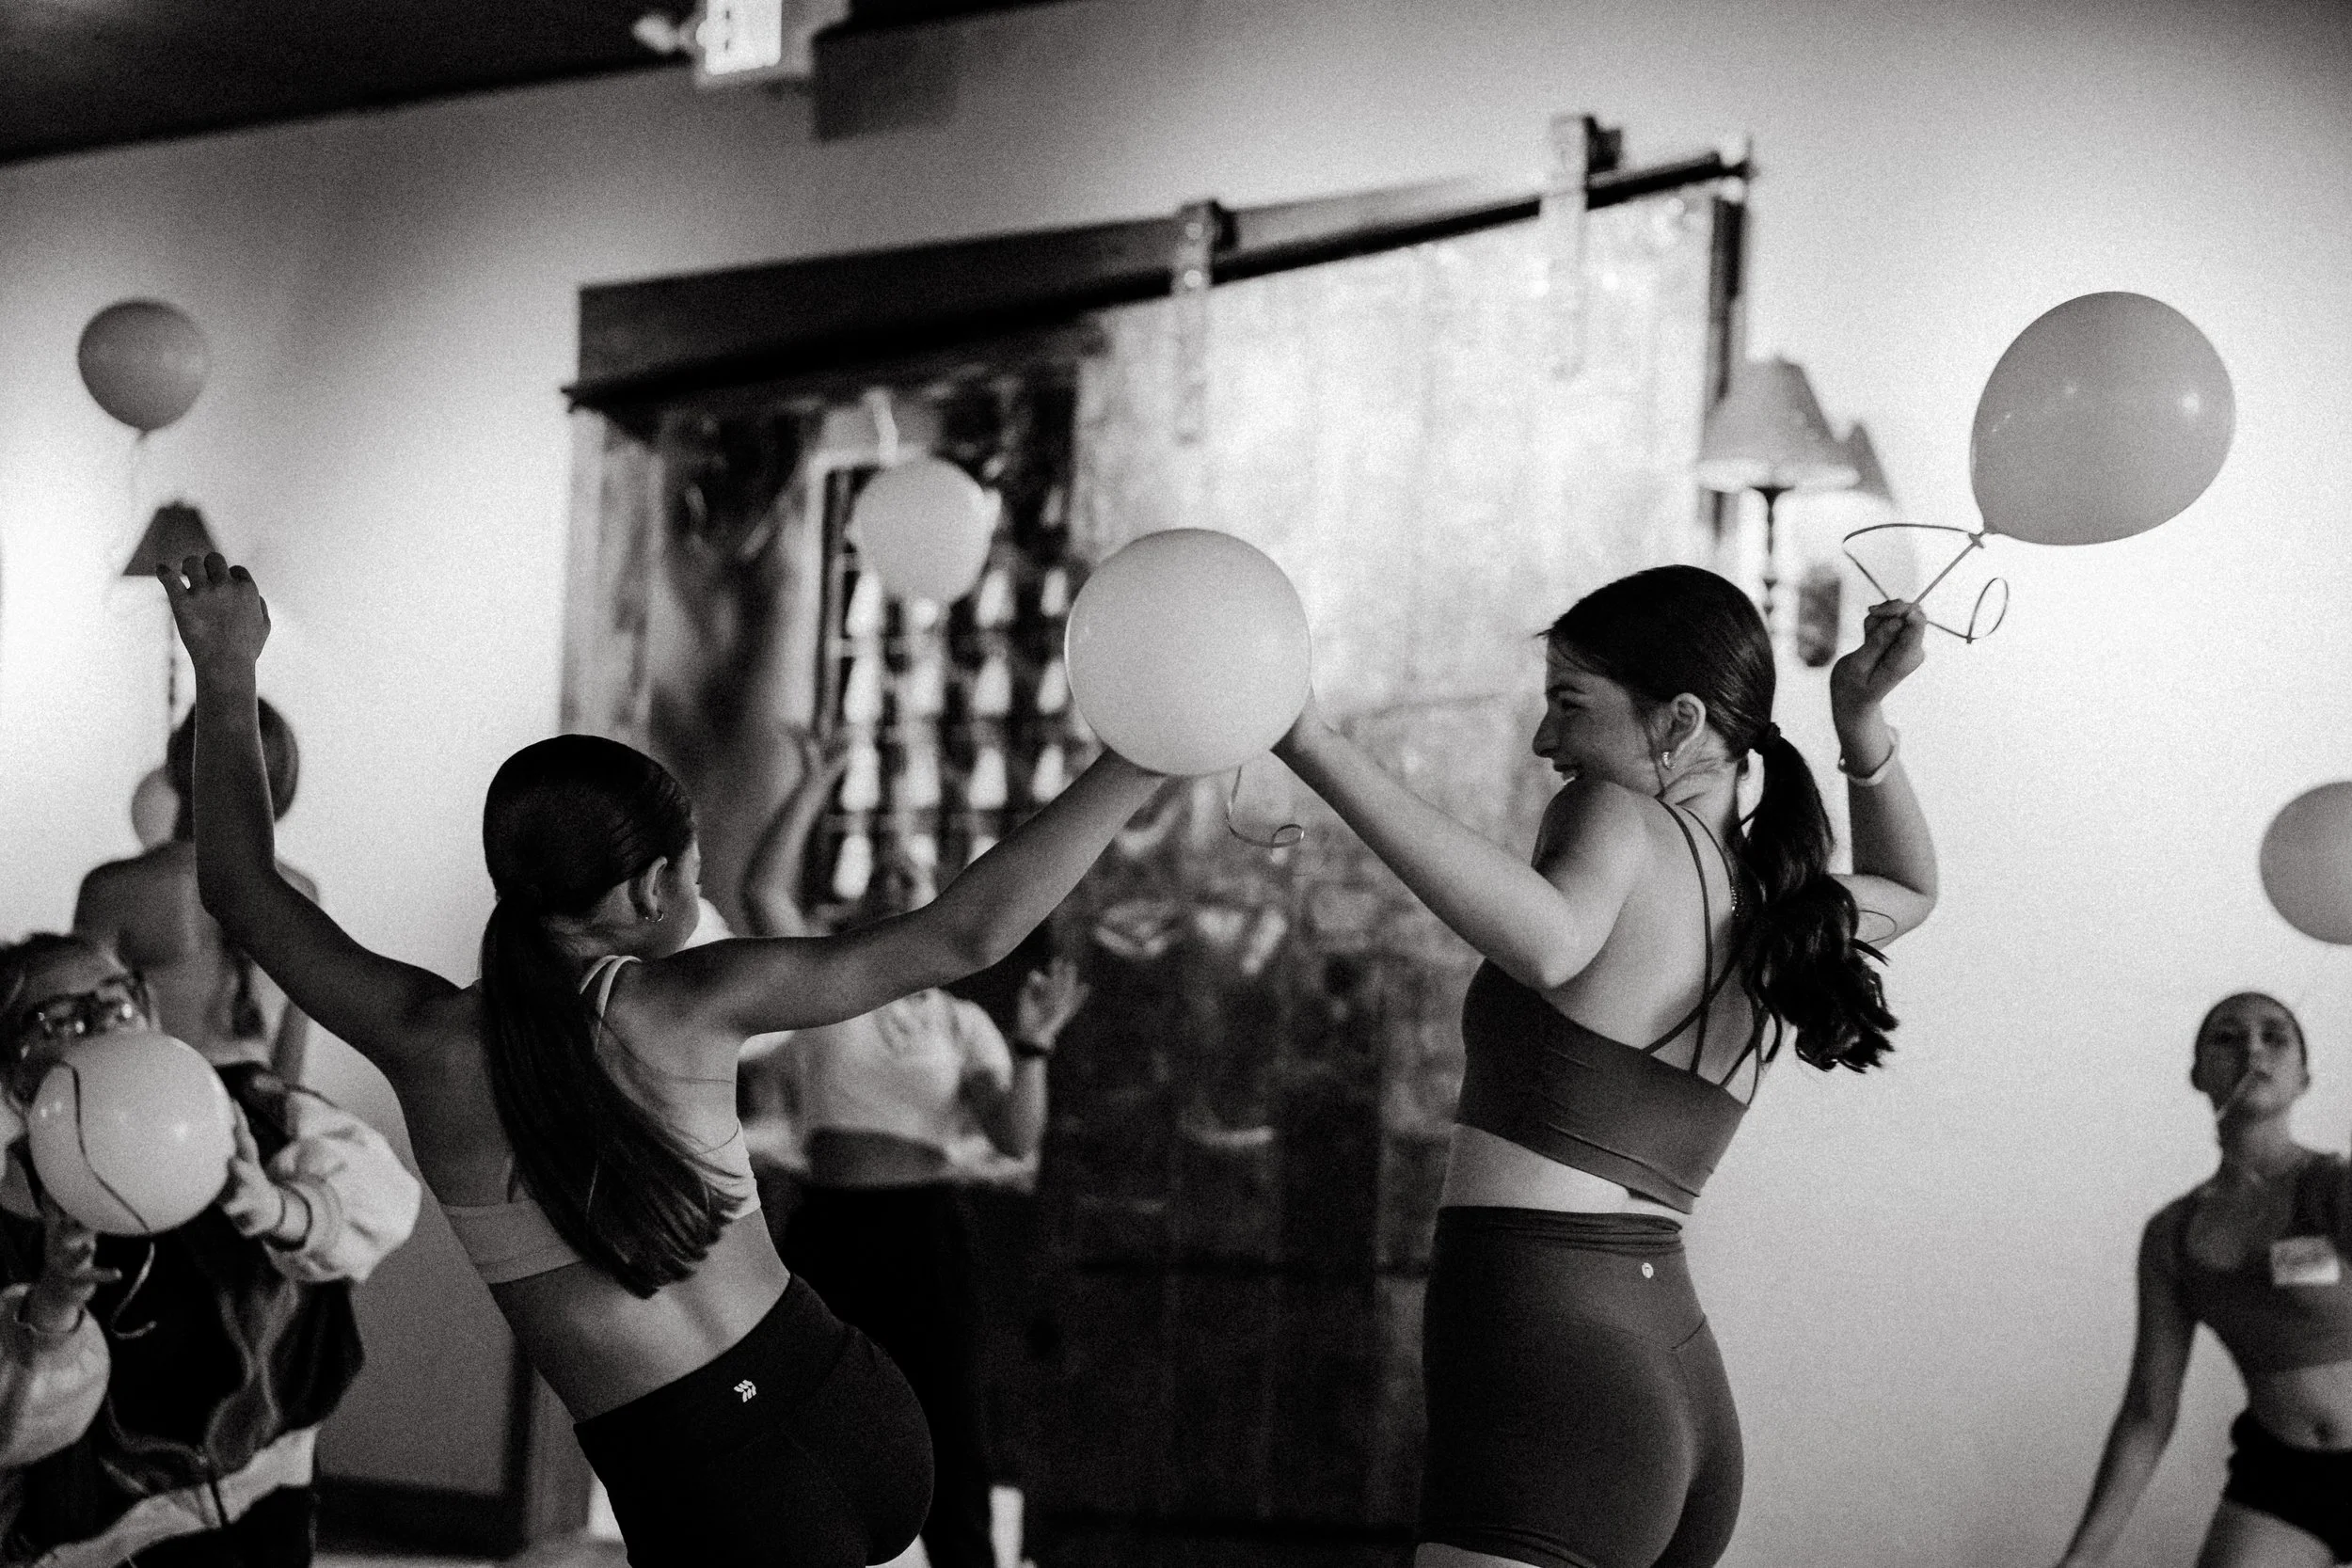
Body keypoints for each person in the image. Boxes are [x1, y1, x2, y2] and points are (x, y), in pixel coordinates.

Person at [158, 553, 1167, 1568]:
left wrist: (226, 669)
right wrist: (1137, 758)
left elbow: (239, 887)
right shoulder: (695, 1001)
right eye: (690, 865)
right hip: (845, 1396)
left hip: (709, 1483)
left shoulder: (422, 1038)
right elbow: (964, 935)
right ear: (647, 890)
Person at [1270, 566, 1936, 1568]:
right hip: (1671, 1372)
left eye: (1568, 705)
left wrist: (1313, 745)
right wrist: (1860, 721)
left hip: (1551, 1359)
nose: (1547, 743)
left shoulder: (1617, 813)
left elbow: (1549, 943)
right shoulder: (1779, 906)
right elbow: (1910, 886)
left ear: (1675, 721)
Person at [0, 932, 421, 1567]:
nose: (103, 1028)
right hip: (110, 1537)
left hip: (271, 1482)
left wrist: (284, 1207)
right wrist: (53, 1307)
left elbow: (386, 1197)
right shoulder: (15, 1210)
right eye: (60, 1020)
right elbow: (15, 1424)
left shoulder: (246, 1103)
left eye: (116, 1003)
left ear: (152, 1012)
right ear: (15, 1078)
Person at [2056, 993, 2352, 1568]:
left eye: (2275, 1036)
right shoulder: (2171, 1235)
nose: (2252, 1048)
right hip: (2284, 1480)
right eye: (2226, 1037)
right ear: (2197, 1074)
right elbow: (2148, 1411)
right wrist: (2083, 1558)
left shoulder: (2335, 1187)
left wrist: (2312, 1263)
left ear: (2303, 1078)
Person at [76, 703, 318, 1086]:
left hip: (153, 1118)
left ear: (174, 762)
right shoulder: (302, 894)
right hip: (267, 1122)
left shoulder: (110, 891)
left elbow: (85, 1051)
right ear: (283, 782)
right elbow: (290, 1072)